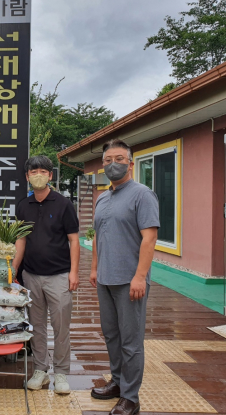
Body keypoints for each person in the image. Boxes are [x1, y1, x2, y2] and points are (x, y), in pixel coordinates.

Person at [90, 139, 159, 415]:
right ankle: (117, 382)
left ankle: (131, 397)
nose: (113, 164)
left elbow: (149, 238)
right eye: (107, 160)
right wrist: (94, 268)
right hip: (105, 279)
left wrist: (140, 276)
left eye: (119, 159)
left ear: (130, 163)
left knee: (131, 341)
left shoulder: (143, 195)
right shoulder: (102, 197)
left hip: (130, 281)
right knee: (112, 335)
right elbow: (97, 236)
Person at [13, 155, 80, 395]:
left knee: (61, 327)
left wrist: (74, 273)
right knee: (36, 325)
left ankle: (61, 372)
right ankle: (40, 370)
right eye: (33, 172)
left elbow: (74, 240)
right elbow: (21, 240)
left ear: (50, 175)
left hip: (59, 276)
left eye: (43, 171)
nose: (38, 175)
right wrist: (13, 270)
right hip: (31, 275)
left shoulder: (64, 204)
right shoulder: (23, 205)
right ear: (27, 176)